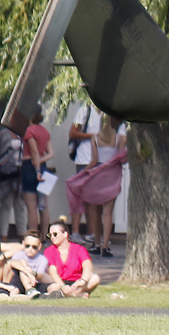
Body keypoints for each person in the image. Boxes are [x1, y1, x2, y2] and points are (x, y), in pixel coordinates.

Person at [85, 116, 126, 256]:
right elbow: (121, 157)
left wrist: (84, 173)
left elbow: (94, 160)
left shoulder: (95, 138)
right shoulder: (119, 139)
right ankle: (105, 245)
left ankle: (96, 243)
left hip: (98, 174)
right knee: (108, 212)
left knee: (96, 212)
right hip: (112, 176)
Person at [66, 99, 101, 244]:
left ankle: (91, 233)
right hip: (84, 159)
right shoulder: (85, 109)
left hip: (99, 159)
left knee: (93, 198)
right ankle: (75, 232)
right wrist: (92, 136)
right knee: (80, 196)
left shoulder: (107, 113)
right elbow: (72, 133)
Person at [0, 109, 25, 240]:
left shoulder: (24, 133)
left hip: (20, 175)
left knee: (20, 205)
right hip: (5, 175)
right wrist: (0, 165)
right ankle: (3, 236)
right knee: (6, 204)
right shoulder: (2, 133)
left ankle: (22, 235)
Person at [43, 218, 99, 297]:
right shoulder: (49, 251)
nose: (52, 237)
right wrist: (63, 286)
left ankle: (70, 294)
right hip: (58, 282)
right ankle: (76, 295)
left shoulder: (79, 249)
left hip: (76, 282)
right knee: (54, 286)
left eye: (55, 234)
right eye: (49, 235)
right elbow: (52, 272)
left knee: (95, 278)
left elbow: (88, 267)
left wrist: (82, 281)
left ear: (65, 234)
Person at [21, 105, 52, 241]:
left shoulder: (29, 131)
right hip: (44, 167)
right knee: (43, 204)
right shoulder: (44, 131)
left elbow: (33, 152)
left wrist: (37, 168)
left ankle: (33, 235)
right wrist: (41, 162)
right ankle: (45, 236)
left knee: (31, 205)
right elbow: (51, 153)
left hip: (30, 167)